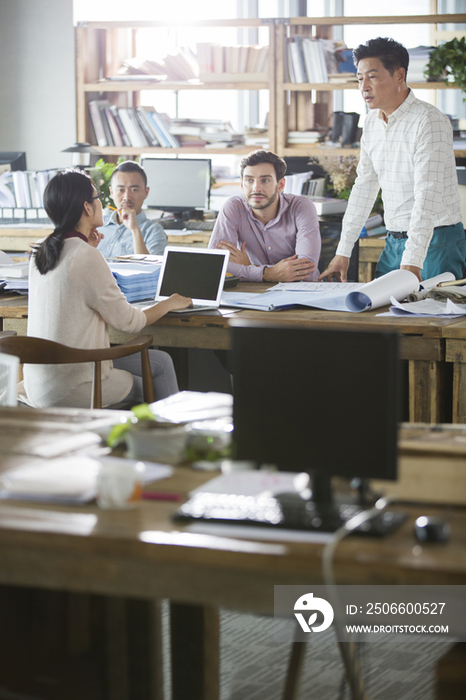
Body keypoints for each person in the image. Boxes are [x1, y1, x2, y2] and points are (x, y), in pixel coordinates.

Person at [24, 169, 191, 409]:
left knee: (160, 360)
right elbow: (129, 323)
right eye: (98, 197)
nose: (102, 203)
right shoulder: (85, 255)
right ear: (87, 208)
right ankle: (170, 441)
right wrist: (169, 303)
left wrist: (88, 247)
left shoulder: (42, 249)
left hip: (40, 383)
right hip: (74, 385)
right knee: (160, 368)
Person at [319, 37, 465, 284]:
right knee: (382, 317)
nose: (364, 86)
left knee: (434, 320)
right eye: (359, 78)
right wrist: (343, 251)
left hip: (435, 242)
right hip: (393, 241)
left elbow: (427, 196)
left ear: (399, 75)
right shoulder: (372, 122)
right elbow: (364, 188)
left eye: (372, 76)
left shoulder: (429, 121)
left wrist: (413, 260)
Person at [208, 149, 321, 282]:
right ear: (241, 185)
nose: (256, 188)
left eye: (265, 180)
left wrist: (250, 267)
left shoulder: (301, 207)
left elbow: (306, 271)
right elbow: (214, 264)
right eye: (249, 180)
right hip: (253, 294)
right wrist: (267, 274)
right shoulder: (234, 207)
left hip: (301, 293)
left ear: (280, 185)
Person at [97, 160, 167, 257]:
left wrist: (135, 229)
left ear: (146, 193)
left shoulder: (153, 231)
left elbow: (151, 270)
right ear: (112, 192)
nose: (127, 197)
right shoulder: (98, 225)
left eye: (134, 190)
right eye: (120, 190)